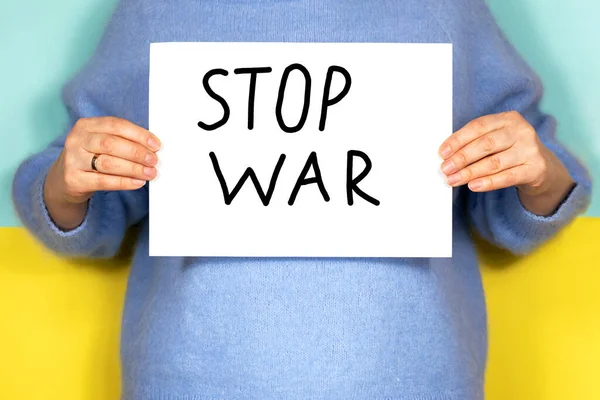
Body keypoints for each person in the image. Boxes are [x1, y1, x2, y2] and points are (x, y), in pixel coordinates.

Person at [12, 0, 592, 399]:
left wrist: (534, 172)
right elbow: (89, 191)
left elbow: (518, 184)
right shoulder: (158, 10)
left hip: (413, 374)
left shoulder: (446, 10)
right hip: (192, 375)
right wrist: (69, 180)